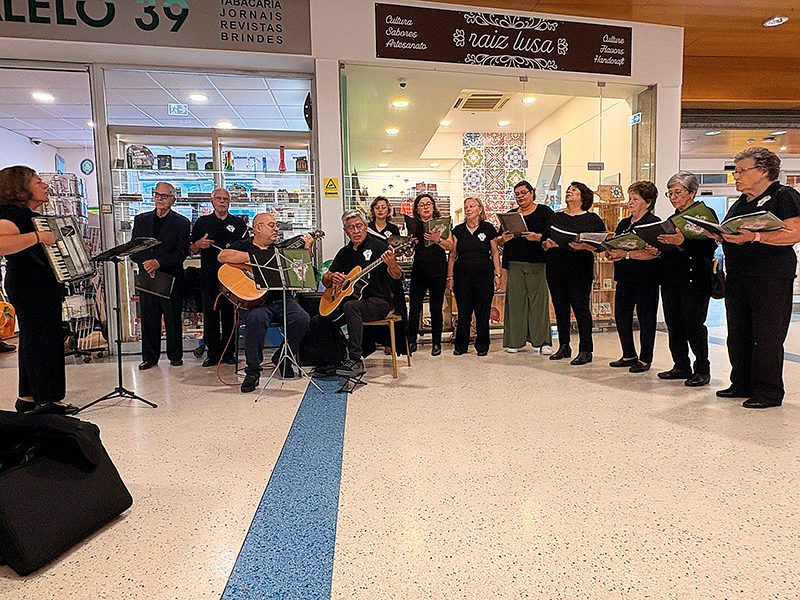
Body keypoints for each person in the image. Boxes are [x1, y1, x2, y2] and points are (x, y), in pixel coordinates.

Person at [714, 147, 800, 408]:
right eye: (735, 171)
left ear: (763, 171)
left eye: (741, 171)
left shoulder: (784, 196)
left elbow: (794, 233)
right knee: (738, 332)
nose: (736, 177)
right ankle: (741, 382)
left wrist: (756, 237)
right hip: (739, 276)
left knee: (767, 335)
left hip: (771, 276)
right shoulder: (741, 203)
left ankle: (769, 392)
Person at [0, 166, 76, 414]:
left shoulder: (26, 215)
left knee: (36, 340)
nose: (45, 185)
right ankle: (47, 401)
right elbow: (2, 243)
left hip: (38, 284)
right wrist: (38, 237)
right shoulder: (12, 214)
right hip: (29, 285)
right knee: (42, 341)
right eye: (37, 180)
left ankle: (30, 397)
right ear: (20, 187)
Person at [218, 213, 313, 393]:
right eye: (272, 225)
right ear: (258, 228)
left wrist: (307, 251)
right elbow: (222, 256)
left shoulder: (280, 249)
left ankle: (284, 356)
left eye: (276, 225)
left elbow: (301, 274)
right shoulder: (243, 245)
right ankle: (253, 371)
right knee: (256, 319)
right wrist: (253, 259)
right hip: (256, 303)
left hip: (281, 299)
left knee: (302, 319)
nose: (276, 228)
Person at [317, 210, 403, 377]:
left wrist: (392, 264)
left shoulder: (379, 246)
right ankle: (334, 361)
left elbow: (397, 275)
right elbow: (326, 281)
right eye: (351, 228)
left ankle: (355, 359)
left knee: (351, 306)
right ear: (345, 231)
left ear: (365, 226)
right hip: (353, 301)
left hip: (379, 301)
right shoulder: (344, 253)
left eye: (358, 226)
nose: (355, 231)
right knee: (320, 319)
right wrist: (330, 276)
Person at [655, 171, 717, 387]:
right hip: (671, 278)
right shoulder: (672, 219)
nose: (673, 197)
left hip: (695, 278)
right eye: (670, 193)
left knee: (693, 324)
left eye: (678, 192)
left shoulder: (704, 215)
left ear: (692, 192)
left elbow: (710, 246)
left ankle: (702, 368)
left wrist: (683, 241)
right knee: (674, 323)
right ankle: (681, 364)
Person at [542, 181, 607, 365]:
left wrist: (584, 246)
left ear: (583, 197)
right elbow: (545, 239)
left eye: (574, 190)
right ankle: (564, 346)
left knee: (580, 308)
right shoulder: (556, 217)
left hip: (579, 269)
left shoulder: (592, 219)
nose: (569, 192)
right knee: (560, 307)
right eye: (569, 190)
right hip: (556, 267)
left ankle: (586, 349)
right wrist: (546, 244)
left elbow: (601, 246)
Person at [132, 182, 191, 370]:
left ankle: (175, 355)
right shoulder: (141, 219)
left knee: (172, 318)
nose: (160, 199)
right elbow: (134, 248)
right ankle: (150, 357)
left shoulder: (182, 222)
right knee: (149, 317)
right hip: (147, 276)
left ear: (173, 199)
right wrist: (146, 263)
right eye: (157, 194)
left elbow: (181, 252)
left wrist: (158, 262)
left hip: (170, 276)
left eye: (164, 196)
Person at [606, 181, 662, 373]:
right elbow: (617, 247)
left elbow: (654, 253)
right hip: (625, 277)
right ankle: (628, 354)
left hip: (646, 278)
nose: (630, 203)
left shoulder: (654, 224)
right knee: (621, 316)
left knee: (646, 319)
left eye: (635, 199)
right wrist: (611, 252)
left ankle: (646, 358)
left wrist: (626, 254)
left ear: (648, 202)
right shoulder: (624, 223)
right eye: (630, 198)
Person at [189, 188, 247, 367]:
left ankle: (229, 353)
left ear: (230, 202)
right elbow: (192, 249)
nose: (222, 201)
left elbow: (247, 249)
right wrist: (198, 244)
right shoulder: (202, 223)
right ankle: (213, 354)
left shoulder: (238, 223)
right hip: (209, 277)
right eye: (219, 198)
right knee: (211, 316)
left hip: (233, 278)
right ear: (211, 200)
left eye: (225, 199)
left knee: (230, 316)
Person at [497, 180, 555, 354]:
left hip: (537, 262)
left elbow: (552, 236)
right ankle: (515, 341)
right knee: (515, 302)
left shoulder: (545, 212)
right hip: (514, 262)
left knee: (539, 302)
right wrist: (503, 239)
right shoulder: (510, 215)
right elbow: (499, 239)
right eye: (517, 194)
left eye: (523, 193)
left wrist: (538, 237)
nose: (520, 197)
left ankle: (542, 341)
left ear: (532, 192)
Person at [447, 197, 502, 356]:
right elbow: (452, 254)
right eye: (466, 207)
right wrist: (450, 277)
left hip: (484, 274)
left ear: (480, 209)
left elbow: (495, 252)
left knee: (483, 311)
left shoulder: (488, 228)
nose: (468, 209)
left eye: (472, 206)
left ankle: (483, 345)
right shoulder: (457, 230)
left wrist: (497, 273)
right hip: (462, 274)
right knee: (464, 310)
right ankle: (461, 345)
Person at [407, 193, 453, 356]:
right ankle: (411, 341)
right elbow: (408, 250)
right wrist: (410, 242)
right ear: (417, 210)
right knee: (414, 307)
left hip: (438, 271)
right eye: (421, 205)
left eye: (428, 204)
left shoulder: (443, 225)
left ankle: (436, 343)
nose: (425, 207)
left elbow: (450, 246)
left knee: (435, 308)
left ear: (433, 207)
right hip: (419, 270)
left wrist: (437, 239)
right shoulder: (414, 225)